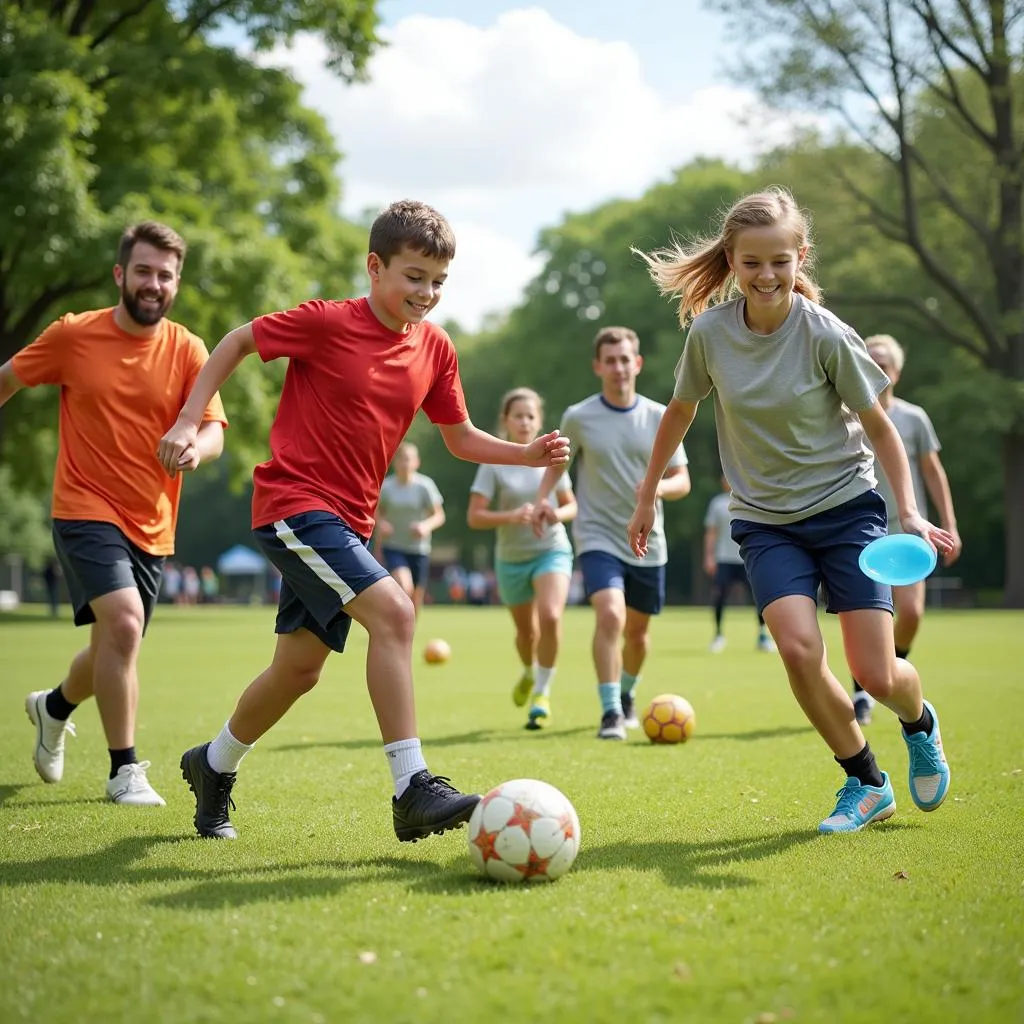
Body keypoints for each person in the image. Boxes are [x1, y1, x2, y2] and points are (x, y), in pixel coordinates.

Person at [157, 200, 570, 843]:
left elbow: (457, 438)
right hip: (295, 504)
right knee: (398, 613)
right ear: (375, 267)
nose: (426, 293)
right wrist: (189, 419)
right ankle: (412, 787)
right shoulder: (326, 322)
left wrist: (523, 453)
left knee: (299, 669)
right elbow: (238, 340)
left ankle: (211, 765)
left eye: (438, 281)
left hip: (350, 522)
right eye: (413, 276)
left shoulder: (435, 347)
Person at [627, 186, 954, 834]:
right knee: (799, 651)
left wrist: (909, 512)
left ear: (800, 257)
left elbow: (881, 428)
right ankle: (865, 781)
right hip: (765, 521)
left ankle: (919, 722)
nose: (767, 275)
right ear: (732, 260)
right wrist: (645, 494)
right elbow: (682, 412)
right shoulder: (710, 334)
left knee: (876, 672)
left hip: (846, 510)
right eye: (752, 262)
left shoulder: (826, 334)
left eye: (781, 260)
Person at [0, 220, 227, 806]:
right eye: (145, 271)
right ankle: (124, 770)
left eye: (166, 275)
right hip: (82, 507)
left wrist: (194, 451)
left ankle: (53, 708)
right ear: (121, 275)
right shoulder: (75, 335)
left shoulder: (188, 349)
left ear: (177, 283)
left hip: (151, 518)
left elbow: (213, 432)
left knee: (111, 647)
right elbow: (7, 381)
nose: (155, 283)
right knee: (124, 626)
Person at [533, 326, 691, 741]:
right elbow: (558, 465)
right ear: (598, 366)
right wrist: (543, 499)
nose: (619, 367)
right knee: (610, 615)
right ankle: (609, 713)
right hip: (598, 533)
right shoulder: (579, 416)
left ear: (636, 363)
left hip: (648, 543)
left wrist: (656, 489)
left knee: (637, 634)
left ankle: (626, 695)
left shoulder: (660, 416)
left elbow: (682, 480)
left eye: (625, 359)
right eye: (611, 360)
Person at [850, 334, 962, 725]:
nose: (877, 366)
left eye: (884, 362)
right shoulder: (847, 414)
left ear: (896, 372)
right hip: (861, 529)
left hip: (909, 531)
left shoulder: (913, 418)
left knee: (911, 614)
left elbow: (933, 471)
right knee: (871, 618)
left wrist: (948, 524)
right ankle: (864, 690)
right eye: (871, 359)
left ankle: (888, 675)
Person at [468, 387, 577, 729]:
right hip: (511, 558)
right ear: (506, 421)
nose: (525, 422)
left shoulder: (553, 458)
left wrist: (555, 513)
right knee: (525, 633)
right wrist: (512, 515)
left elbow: (572, 505)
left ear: (539, 421)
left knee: (550, 616)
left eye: (531, 416)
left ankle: (542, 693)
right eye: (518, 415)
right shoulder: (494, 462)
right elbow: (475, 517)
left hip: (551, 550)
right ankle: (529, 672)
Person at [704, 476, 774, 653]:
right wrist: (709, 556)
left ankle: (762, 635)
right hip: (724, 559)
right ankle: (718, 635)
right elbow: (711, 532)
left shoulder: (750, 499)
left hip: (747, 559)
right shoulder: (717, 503)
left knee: (759, 598)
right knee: (719, 596)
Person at [376, 442, 445, 617]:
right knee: (404, 587)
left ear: (417, 462)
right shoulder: (387, 487)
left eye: (409, 459)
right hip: (393, 546)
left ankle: (408, 633)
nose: (405, 463)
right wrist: (381, 524)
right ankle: (396, 626)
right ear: (394, 462)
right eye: (401, 459)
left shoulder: (425, 486)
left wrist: (425, 526)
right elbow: (376, 513)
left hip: (419, 548)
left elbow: (439, 516)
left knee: (416, 597)